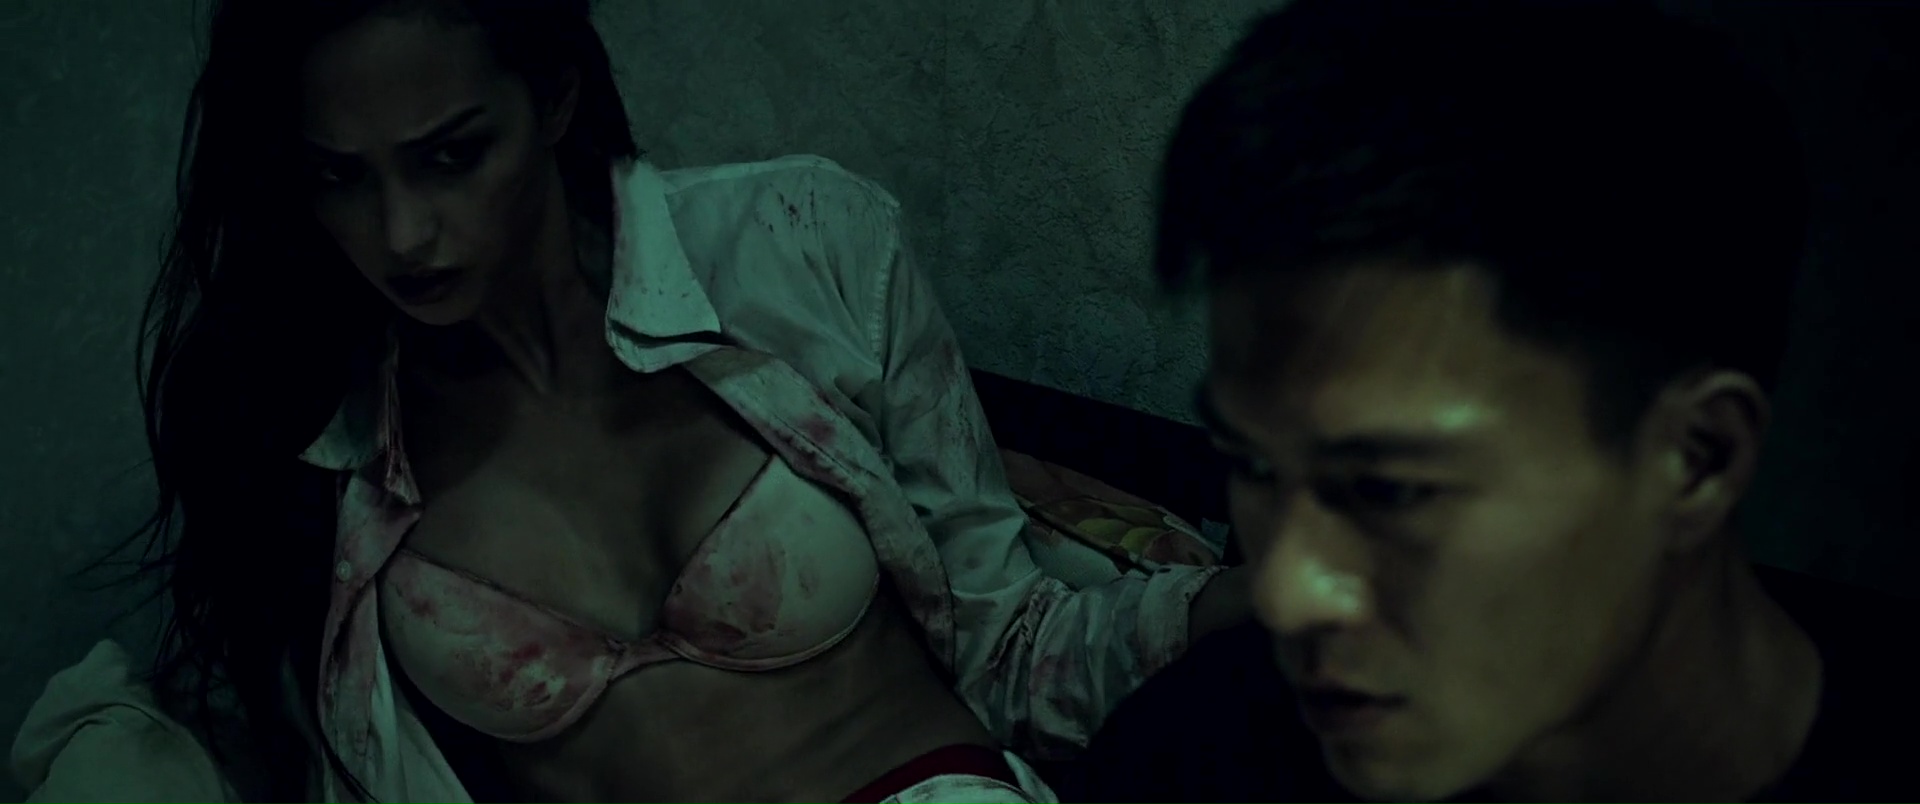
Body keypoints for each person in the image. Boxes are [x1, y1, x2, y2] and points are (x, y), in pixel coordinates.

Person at [8, 1, 1254, 802]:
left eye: (451, 155)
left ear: (552, 98)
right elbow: (265, 723)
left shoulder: (797, 244)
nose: (402, 234)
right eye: (343, 178)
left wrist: (1257, 598)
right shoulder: (314, 438)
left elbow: (1009, 643)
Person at [1074, 1, 1917, 802]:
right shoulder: (1187, 756)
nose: (1283, 594)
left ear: (1697, 459)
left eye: (1391, 490)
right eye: (1254, 465)